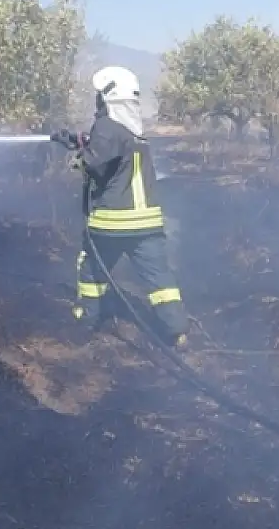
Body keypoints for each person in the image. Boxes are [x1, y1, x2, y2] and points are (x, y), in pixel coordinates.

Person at [67, 66, 189, 349]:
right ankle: (176, 329)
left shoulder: (107, 127)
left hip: (112, 222)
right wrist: (80, 140)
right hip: (147, 224)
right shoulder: (134, 132)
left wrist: (77, 156)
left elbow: (94, 164)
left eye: (99, 96)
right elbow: (112, 155)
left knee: (91, 270)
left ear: (108, 98)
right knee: (159, 278)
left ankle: (86, 321)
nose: (96, 102)